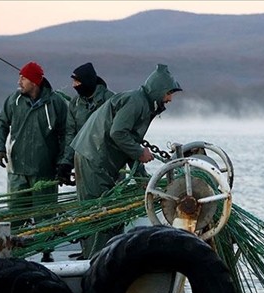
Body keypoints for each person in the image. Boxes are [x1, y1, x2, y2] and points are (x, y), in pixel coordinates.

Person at [70, 63, 182, 258]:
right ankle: (95, 260)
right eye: (168, 93)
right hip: (93, 157)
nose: (170, 98)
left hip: (97, 157)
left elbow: (129, 139)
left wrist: (142, 180)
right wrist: (140, 153)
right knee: (99, 212)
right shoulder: (136, 102)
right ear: (158, 90)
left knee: (104, 211)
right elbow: (118, 133)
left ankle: (101, 256)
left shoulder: (143, 104)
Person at [0, 61, 68, 262]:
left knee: (45, 214)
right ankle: (15, 254)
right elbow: (1, 124)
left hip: (44, 170)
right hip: (17, 169)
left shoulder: (56, 103)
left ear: (35, 81)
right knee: (16, 214)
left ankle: (47, 251)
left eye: (23, 78)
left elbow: (67, 134)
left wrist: (64, 162)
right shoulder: (14, 101)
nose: (19, 81)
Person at [56, 62, 114, 186]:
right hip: (83, 163)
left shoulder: (110, 100)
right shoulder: (75, 103)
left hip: (109, 163)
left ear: (87, 81)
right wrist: (66, 163)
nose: (74, 86)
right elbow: (71, 135)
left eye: (77, 82)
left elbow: (119, 132)